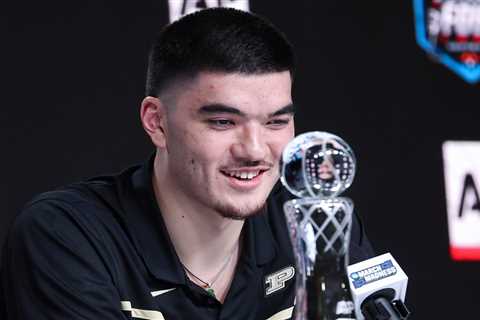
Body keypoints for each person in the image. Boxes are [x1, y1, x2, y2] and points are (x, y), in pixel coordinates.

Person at [0, 7, 374, 320]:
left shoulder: (315, 222)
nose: (255, 150)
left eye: (276, 122)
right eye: (223, 122)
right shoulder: (67, 234)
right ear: (156, 122)